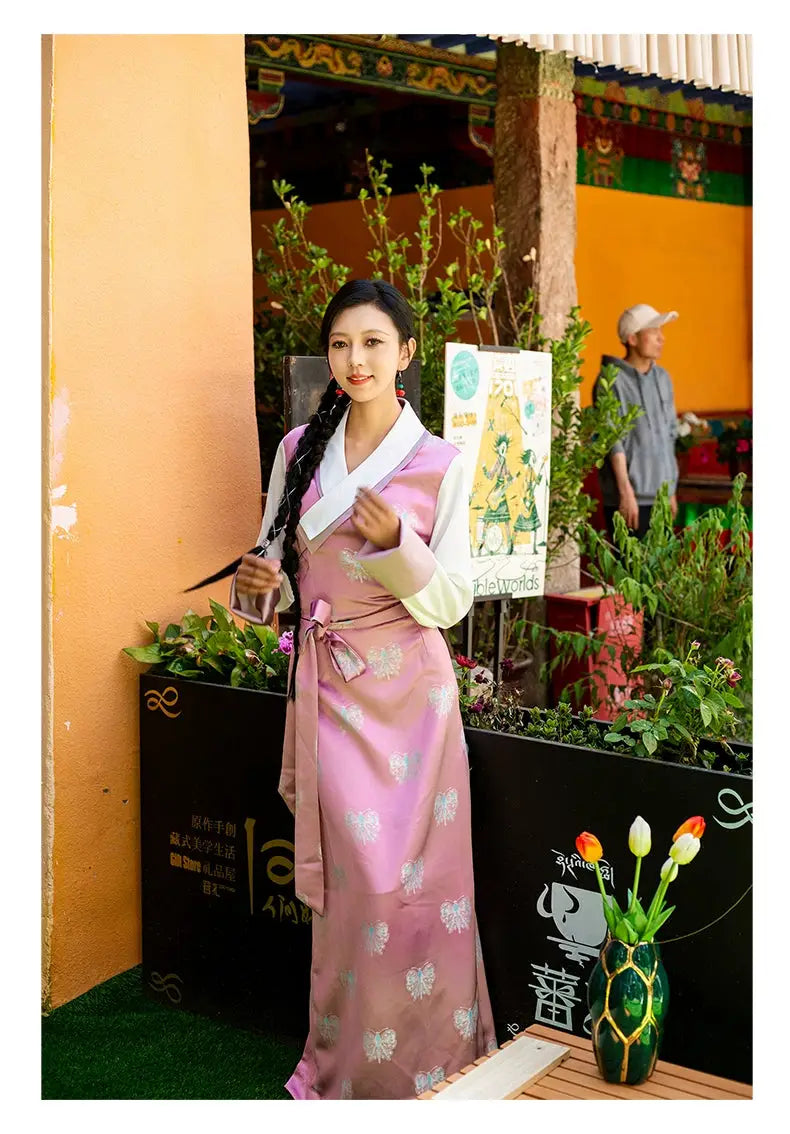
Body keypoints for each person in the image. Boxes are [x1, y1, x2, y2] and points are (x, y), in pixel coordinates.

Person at [230, 279, 497, 1100]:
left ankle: (443, 1057)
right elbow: (268, 584)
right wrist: (255, 587)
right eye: (342, 344)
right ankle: (346, 1064)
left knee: (421, 889)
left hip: (412, 701)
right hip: (331, 694)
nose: (356, 360)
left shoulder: (442, 462)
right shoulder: (299, 449)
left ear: (407, 355)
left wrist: (398, 548)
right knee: (357, 892)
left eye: (374, 343)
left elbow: (451, 600)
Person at [595, 303, 680, 543]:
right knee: (632, 576)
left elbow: (669, 434)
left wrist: (670, 491)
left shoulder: (663, 378)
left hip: (661, 498)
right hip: (629, 500)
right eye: (653, 332)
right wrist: (625, 493)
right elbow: (613, 442)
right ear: (632, 338)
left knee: (662, 576)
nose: (661, 339)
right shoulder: (611, 380)